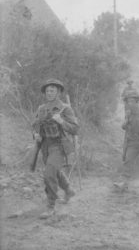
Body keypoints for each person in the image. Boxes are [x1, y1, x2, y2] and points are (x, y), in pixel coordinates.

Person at [32, 79, 79, 219]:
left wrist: (61, 121)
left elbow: (76, 128)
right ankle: (69, 190)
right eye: (47, 91)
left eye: (52, 90)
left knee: (49, 173)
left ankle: (50, 206)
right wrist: (35, 134)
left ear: (58, 92)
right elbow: (35, 124)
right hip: (45, 146)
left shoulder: (65, 108)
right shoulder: (41, 108)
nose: (49, 93)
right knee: (54, 170)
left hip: (59, 145)